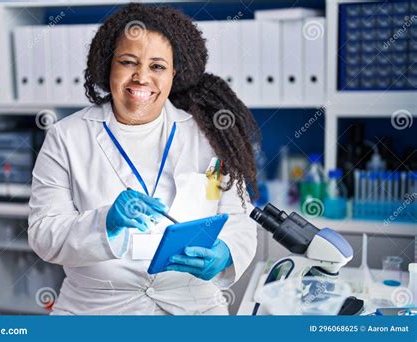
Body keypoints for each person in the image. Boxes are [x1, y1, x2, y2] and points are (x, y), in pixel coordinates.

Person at [28, 3, 262, 315]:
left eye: (157, 66)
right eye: (128, 62)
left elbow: (238, 220)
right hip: (97, 309)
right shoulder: (66, 137)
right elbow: (43, 234)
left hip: (192, 306)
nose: (141, 77)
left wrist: (227, 252)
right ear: (108, 66)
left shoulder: (207, 135)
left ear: (174, 74)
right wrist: (104, 221)